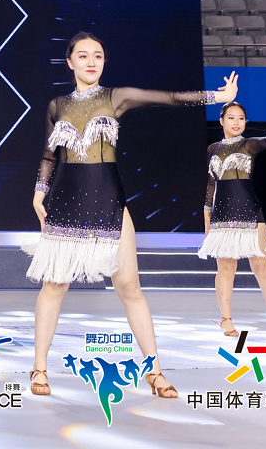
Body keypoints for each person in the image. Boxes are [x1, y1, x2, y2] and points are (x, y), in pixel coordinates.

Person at [26, 31, 236, 400]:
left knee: (130, 289)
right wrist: (39, 191)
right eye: (83, 55)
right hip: (65, 202)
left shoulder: (115, 96)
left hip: (109, 201)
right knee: (54, 286)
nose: (91, 61)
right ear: (70, 62)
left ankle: (154, 372)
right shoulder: (57, 105)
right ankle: (39, 368)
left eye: (98, 55)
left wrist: (217, 97)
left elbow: (167, 98)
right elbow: (49, 154)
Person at [199, 101, 266, 338]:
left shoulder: (248, 145)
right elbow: (210, 183)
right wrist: (206, 214)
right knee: (226, 268)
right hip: (222, 215)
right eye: (231, 118)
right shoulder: (212, 149)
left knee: (262, 265)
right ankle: (226, 320)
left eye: (241, 118)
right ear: (221, 121)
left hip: (250, 211)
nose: (236, 122)